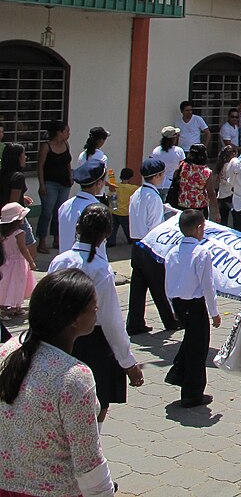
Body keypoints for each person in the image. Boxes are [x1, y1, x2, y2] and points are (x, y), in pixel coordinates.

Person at [0, 268, 117, 497]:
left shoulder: (6, 351)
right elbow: (88, 463)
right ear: (74, 319)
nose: (97, 310)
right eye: (93, 306)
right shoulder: (74, 377)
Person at [48, 205, 144, 421]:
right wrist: (127, 362)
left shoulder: (60, 261)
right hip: (94, 344)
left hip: (59, 340)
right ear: (107, 234)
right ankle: (91, 449)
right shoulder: (101, 270)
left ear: (78, 227)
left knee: (61, 405)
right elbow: (112, 322)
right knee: (95, 406)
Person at [164, 209, 221, 408]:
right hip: (195, 305)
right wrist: (214, 312)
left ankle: (178, 372)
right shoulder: (201, 252)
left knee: (190, 341)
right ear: (198, 229)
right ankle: (192, 393)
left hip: (179, 303)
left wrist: (172, 307)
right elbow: (208, 285)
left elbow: (168, 283)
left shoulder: (172, 252)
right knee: (198, 348)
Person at [126, 159, 179, 335]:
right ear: (157, 176)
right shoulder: (153, 197)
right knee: (159, 284)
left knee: (138, 286)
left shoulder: (137, 194)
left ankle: (134, 322)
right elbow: (155, 227)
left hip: (136, 243)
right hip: (150, 244)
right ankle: (170, 320)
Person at [35, 119, 72, 254]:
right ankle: (42, 241)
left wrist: (70, 176)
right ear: (59, 132)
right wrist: (42, 184)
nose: (69, 133)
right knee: (46, 213)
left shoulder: (66, 145)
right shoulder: (46, 146)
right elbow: (40, 166)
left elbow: (68, 162)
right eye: (67, 131)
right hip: (50, 183)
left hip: (64, 183)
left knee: (59, 212)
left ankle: (57, 239)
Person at [57, 161, 108, 253]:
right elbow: (99, 247)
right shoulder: (96, 209)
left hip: (65, 262)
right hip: (86, 264)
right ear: (99, 183)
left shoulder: (65, 205)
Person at [0, 202, 36, 319]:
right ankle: (14, 306)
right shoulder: (19, 233)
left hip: (6, 261)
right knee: (18, 284)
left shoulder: (3, 234)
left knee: (6, 284)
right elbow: (23, 249)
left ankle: (11, 306)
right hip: (18, 263)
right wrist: (31, 261)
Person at [175, 144, 212, 214]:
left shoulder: (182, 166)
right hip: (199, 206)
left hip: (182, 204)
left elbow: (175, 177)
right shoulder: (206, 172)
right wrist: (216, 211)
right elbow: (211, 192)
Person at [149, 125, 186, 193]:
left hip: (157, 185)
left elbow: (150, 166)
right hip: (171, 185)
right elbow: (183, 167)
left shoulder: (156, 151)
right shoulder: (179, 151)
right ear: (174, 138)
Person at [210, 143, 239, 224]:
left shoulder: (221, 165)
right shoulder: (228, 166)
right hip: (229, 195)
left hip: (222, 194)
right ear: (232, 154)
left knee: (224, 219)